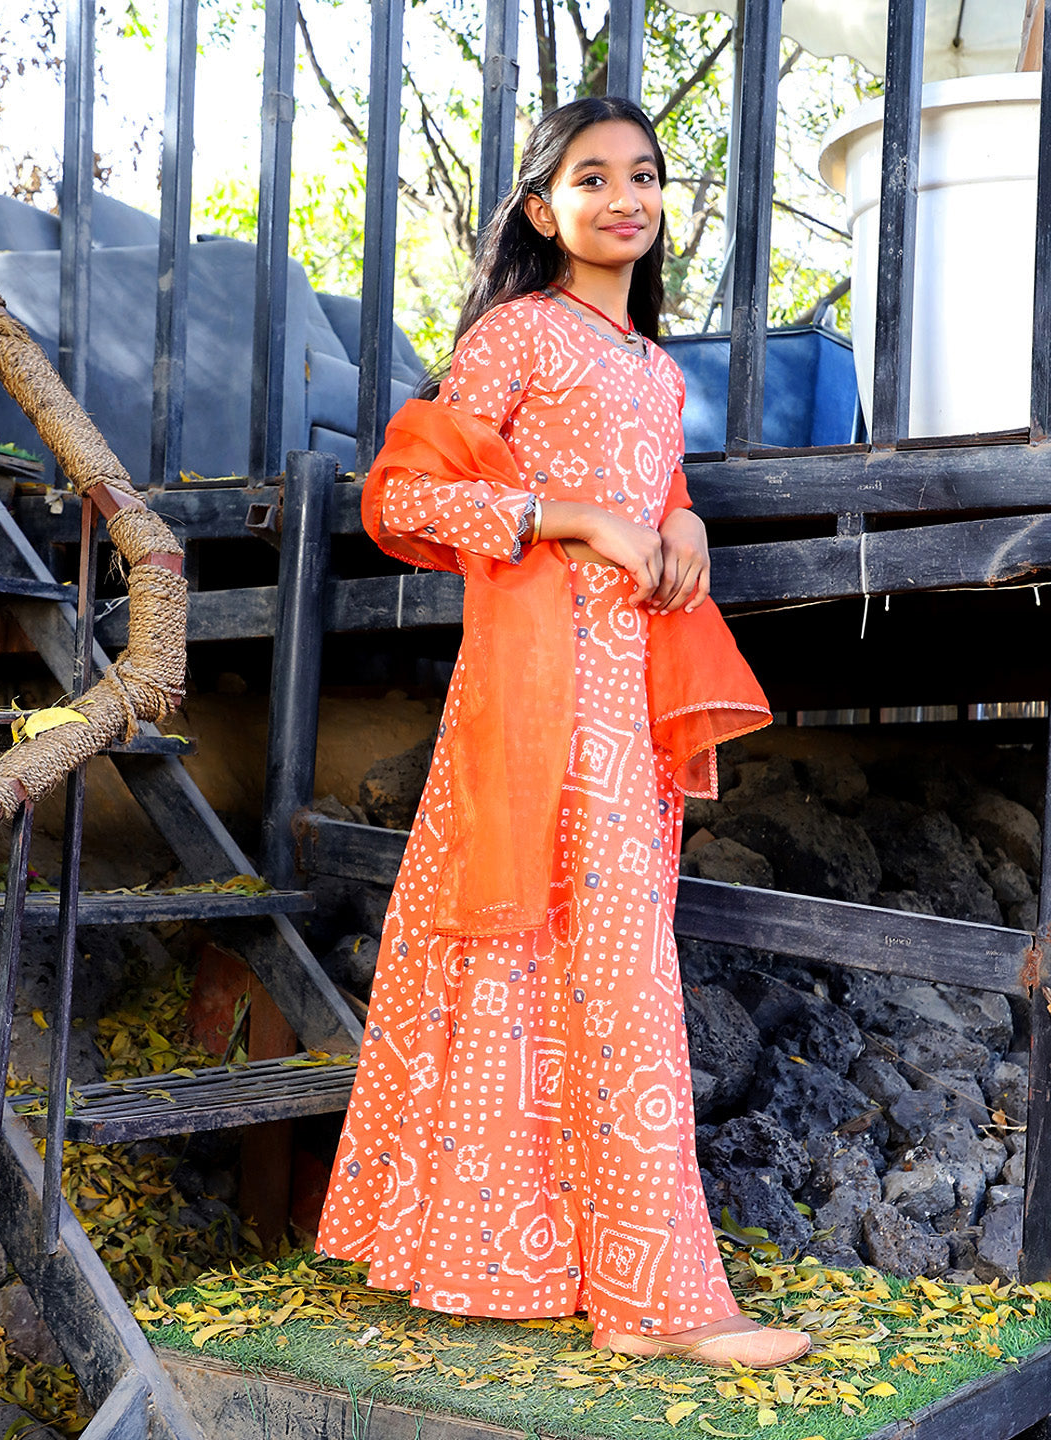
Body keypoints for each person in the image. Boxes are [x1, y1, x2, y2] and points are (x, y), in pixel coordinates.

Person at [317, 95, 810, 1370]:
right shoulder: (518, 335)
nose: (625, 197)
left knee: (608, 964)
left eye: (644, 175)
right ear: (545, 211)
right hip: (536, 696)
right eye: (592, 178)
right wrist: (576, 518)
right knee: (548, 959)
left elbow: (662, 494)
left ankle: (608, 1283)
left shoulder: (658, 368)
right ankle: (666, 1302)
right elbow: (405, 494)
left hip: (628, 703)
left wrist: (683, 522)